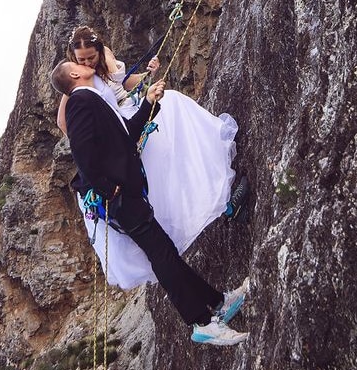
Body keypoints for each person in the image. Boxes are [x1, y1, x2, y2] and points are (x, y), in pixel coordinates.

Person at [50, 60, 249, 346]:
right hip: (120, 198)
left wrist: (149, 104)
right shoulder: (80, 102)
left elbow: (128, 136)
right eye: (77, 63)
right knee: (161, 255)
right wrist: (110, 190)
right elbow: (82, 154)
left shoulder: (91, 99)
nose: (84, 63)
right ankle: (201, 322)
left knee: (164, 251)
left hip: (126, 193)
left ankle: (217, 303)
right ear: (74, 74)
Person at [57, 26, 243, 290]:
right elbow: (66, 124)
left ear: (98, 51)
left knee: (174, 118)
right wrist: (105, 134)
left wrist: (149, 74)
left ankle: (215, 191)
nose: (87, 62)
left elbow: (125, 83)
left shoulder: (103, 61)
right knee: (161, 167)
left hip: (127, 121)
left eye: (90, 57)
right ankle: (210, 204)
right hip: (121, 130)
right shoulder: (76, 86)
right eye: (81, 59)